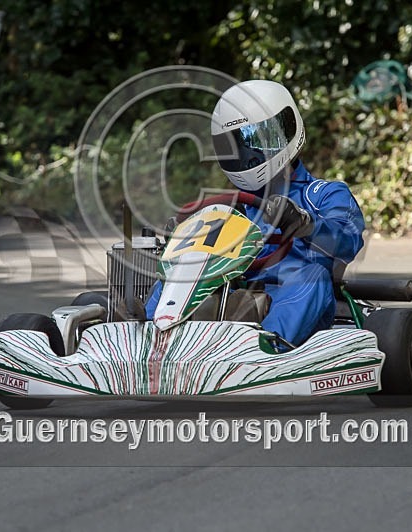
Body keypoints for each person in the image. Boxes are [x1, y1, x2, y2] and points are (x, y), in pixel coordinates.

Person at [146, 79, 365, 346]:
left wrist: (306, 224)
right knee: (182, 271)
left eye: (256, 139)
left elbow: (347, 240)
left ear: (286, 130)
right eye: (237, 145)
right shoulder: (232, 208)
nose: (248, 153)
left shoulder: (323, 194)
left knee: (313, 277)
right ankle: (152, 336)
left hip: (293, 295)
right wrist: (185, 240)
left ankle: (267, 347)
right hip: (234, 289)